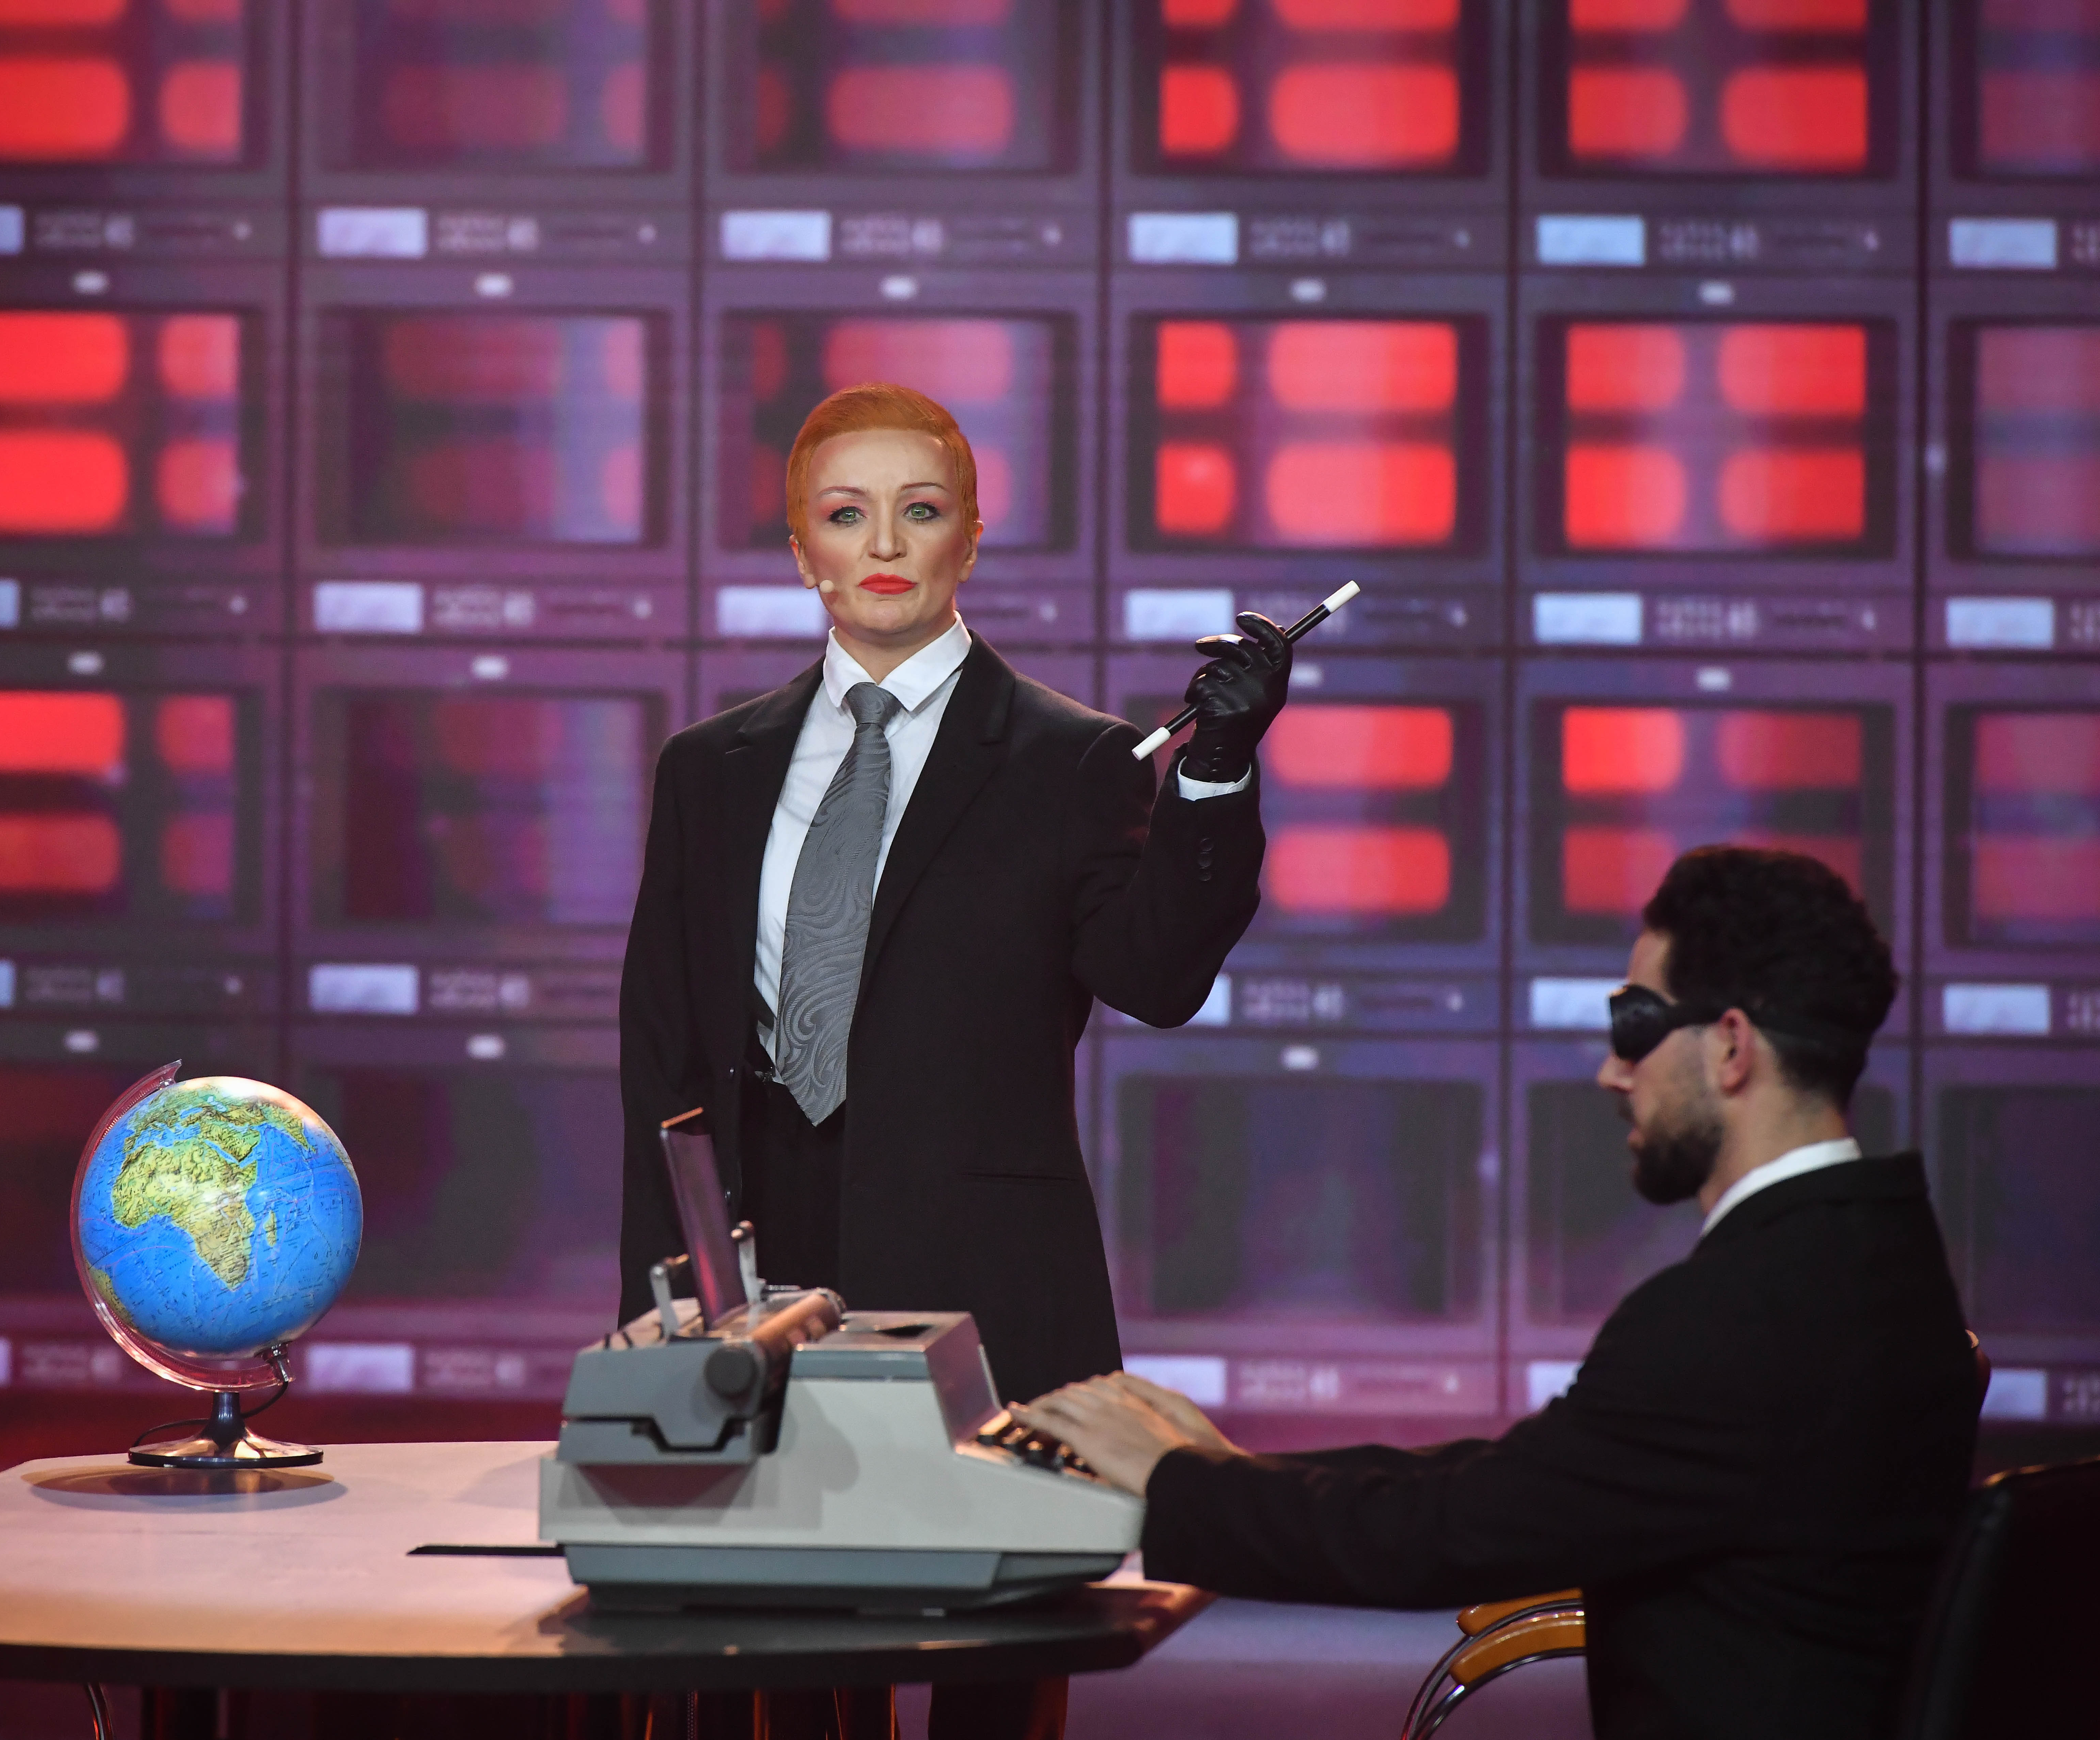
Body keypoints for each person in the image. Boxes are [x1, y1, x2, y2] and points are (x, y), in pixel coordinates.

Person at [1018, 846, 1981, 1740]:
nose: (1613, 1071)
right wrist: (1224, 1469)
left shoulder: (1734, 1319)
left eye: (1635, 1025)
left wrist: (1173, 1481)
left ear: (1732, 1047)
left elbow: (1451, 1535)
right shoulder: (1882, 1261)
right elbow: (1525, 1480)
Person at [617, 380, 1289, 1408]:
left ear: (969, 541)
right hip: (749, 1305)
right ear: (802, 550)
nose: (885, 543)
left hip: (985, 1301)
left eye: (921, 510)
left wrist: (1216, 770)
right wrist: (656, 1313)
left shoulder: (1072, 760)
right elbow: (662, 1069)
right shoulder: (708, 770)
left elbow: (1155, 980)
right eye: (847, 514)